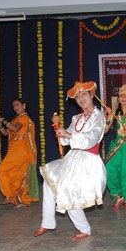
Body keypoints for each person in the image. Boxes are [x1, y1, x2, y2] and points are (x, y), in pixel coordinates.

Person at [34, 81, 106, 240]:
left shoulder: (98, 116)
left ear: (91, 95)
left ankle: (84, 228)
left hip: (88, 160)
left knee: (68, 191)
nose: (81, 98)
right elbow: (67, 140)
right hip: (73, 158)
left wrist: (68, 136)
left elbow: (91, 139)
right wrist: (62, 133)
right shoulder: (77, 118)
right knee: (50, 181)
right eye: (77, 96)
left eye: (84, 94)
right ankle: (48, 222)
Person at [0, 98, 39, 207]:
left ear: (24, 105)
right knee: (16, 175)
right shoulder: (15, 119)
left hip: (22, 151)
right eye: (14, 106)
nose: (15, 107)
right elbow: (5, 133)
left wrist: (2, 119)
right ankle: (18, 199)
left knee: (1, 170)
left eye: (17, 105)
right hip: (15, 151)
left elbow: (14, 129)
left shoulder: (24, 118)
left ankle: (10, 196)